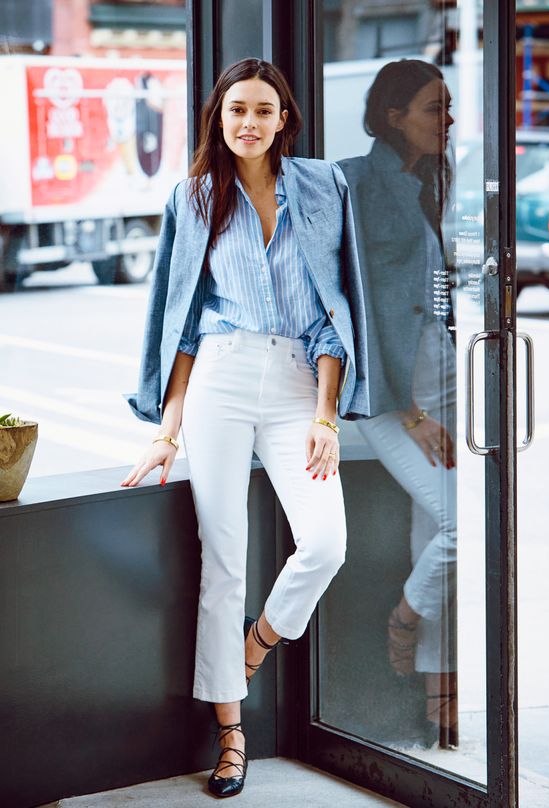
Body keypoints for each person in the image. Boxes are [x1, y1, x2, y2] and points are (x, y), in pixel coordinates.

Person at [121, 58, 369, 797]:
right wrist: (167, 427)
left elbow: (335, 311)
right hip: (220, 381)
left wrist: (326, 415)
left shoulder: (323, 187)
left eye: (263, 110)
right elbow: (181, 321)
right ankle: (232, 735)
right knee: (222, 560)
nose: (249, 123)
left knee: (325, 543)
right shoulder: (193, 197)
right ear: (218, 118)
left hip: (297, 380)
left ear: (284, 118)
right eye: (236, 111)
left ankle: (253, 647)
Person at [338, 59, 458, 747]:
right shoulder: (357, 182)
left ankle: (437, 695)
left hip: (444, 379)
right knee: (456, 526)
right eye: (432, 107)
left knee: (427, 527)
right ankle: (405, 619)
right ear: (392, 115)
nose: (445, 119)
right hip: (393, 397)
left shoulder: (432, 183)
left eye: (446, 106)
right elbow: (353, 306)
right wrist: (409, 412)